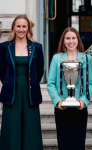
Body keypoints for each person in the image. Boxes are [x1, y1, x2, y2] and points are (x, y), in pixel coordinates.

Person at [47, 27, 92, 150]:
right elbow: (51, 83)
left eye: (73, 38)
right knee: (63, 143)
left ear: (78, 40)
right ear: (63, 41)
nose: (71, 41)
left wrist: (84, 100)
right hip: (62, 107)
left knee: (78, 143)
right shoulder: (56, 58)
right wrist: (58, 100)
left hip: (80, 106)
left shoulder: (87, 58)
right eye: (68, 38)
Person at [0, 15, 44, 150]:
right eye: (18, 26)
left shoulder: (36, 47)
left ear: (28, 28)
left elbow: (39, 71)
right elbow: (2, 71)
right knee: (11, 128)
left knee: (31, 129)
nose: (21, 29)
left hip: (31, 92)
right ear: (13, 27)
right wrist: (10, 82)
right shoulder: (4, 47)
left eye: (24, 26)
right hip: (11, 93)